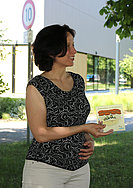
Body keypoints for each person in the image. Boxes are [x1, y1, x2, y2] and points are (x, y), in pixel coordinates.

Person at [22, 24, 113, 188]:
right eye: (68, 46)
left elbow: (76, 120)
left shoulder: (78, 81)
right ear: (52, 50)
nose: (74, 51)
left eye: (74, 45)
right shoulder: (36, 87)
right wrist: (83, 128)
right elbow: (41, 134)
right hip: (45, 169)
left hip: (80, 168)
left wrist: (87, 138)